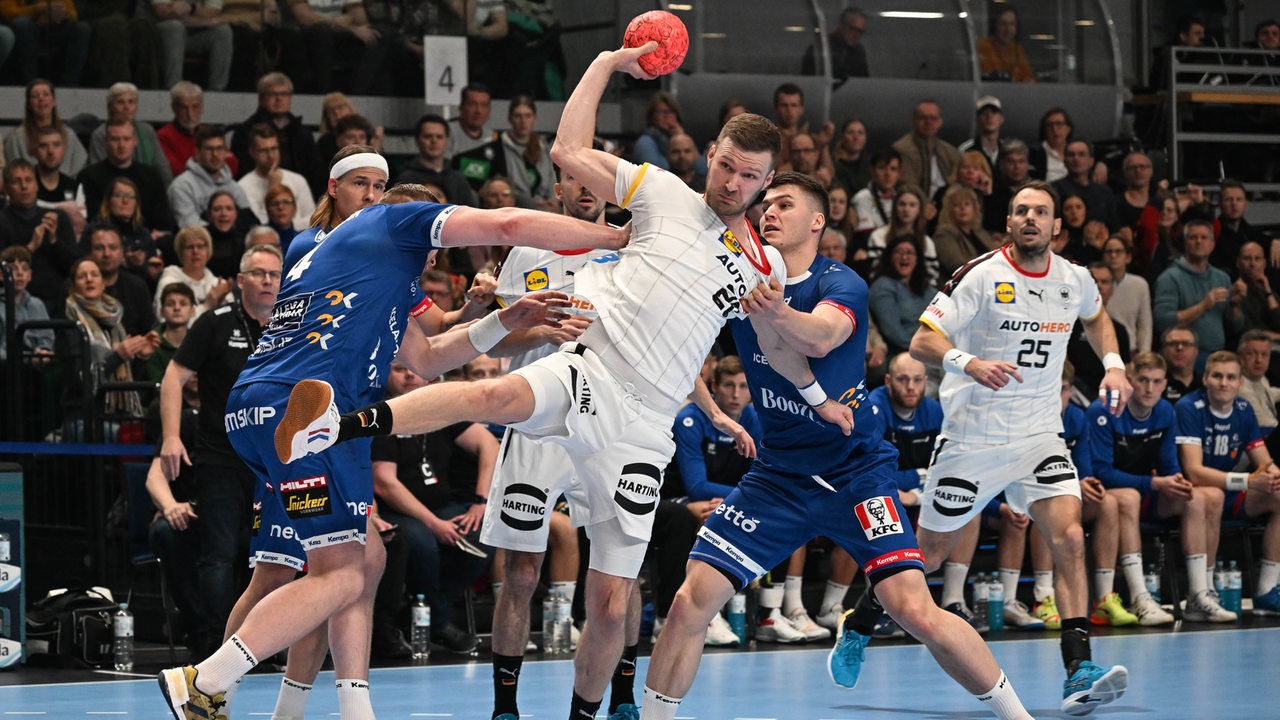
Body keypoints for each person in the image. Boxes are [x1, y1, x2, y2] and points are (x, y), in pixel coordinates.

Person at [273, 42, 800, 720]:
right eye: (725, 164)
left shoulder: (769, 270)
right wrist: (608, 63)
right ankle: (334, 426)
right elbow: (570, 148)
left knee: (610, 602)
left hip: (645, 426)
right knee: (495, 398)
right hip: (590, 371)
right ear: (711, 153)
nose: (731, 181)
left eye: (747, 175)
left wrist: (803, 365)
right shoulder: (661, 191)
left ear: (768, 180)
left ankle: (587, 711)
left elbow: (791, 347)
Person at [157, 134, 628, 720]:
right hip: (310, 411)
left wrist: (505, 318)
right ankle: (204, 680)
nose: (437, 254)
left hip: (263, 409)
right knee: (340, 575)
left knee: (336, 565)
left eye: (378, 187)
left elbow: (427, 358)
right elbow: (505, 224)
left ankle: (285, 703)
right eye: (366, 186)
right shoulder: (395, 223)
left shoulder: (347, 256)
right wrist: (618, 234)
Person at [640, 171, 1034, 719]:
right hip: (777, 479)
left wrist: (762, 304)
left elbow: (819, 336)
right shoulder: (741, 284)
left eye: (784, 204)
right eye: (765, 205)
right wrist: (711, 411)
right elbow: (677, 345)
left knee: (914, 610)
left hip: (855, 474)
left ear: (817, 221)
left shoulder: (840, 282)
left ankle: (1019, 716)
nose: (769, 213)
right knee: (688, 604)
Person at [907, 179, 1132, 714]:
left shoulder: (1074, 279)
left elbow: (1097, 320)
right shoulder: (980, 275)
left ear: (1058, 226)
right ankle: (866, 616)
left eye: (1041, 212)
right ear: (1008, 223)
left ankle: (1079, 669)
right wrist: (970, 363)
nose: (1030, 218)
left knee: (1070, 538)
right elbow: (922, 341)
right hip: (973, 436)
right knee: (929, 556)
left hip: (1037, 434)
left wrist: (1116, 366)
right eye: (1020, 211)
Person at [1091, 351, 1219, 624]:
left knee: (1198, 497)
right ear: (1129, 381)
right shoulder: (1103, 410)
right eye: (1143, 380)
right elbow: (1101, 472)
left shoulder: (1164, 411)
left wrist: (1176, 480)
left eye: (1157, 381)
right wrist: (1154, 482)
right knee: (1128, 497)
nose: (1150, 388)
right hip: (1110, 496)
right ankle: (1141, 599)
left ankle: (1199, 595)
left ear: (1164, 384)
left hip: (1148, 492)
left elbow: (1169, 463)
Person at [1174, 350, 1280, 617]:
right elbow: (1194, 472)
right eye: (1218, 376)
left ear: (1239, 383)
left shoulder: (1243, 410)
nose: (1224, 383)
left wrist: (1274, 476)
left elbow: (1265, 464)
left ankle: (1268, 590)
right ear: (1205, 378)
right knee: (1209, 494)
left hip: (1229, 493)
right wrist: (1247, 480)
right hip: (1189, 494)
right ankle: (1200, 593)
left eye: (1231, 377)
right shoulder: (1189, 407)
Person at [0, 159, 79, 317]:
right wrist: (31, 247)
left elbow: (74, 265)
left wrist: (54, 241)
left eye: (29, 180)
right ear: (6, 189)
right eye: (17, 181)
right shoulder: (2, 221)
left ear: (37, 185)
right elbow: (2, 269)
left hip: (58, 301)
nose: (24, 186)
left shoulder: (57, 218)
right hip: (15, 302)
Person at [1153, 219, 1236, 360]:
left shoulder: (1222, 278)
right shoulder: (1169, 278)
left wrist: (1235, 305)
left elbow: (1234, 326)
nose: (1199, 241)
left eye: (1204, 237)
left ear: (1212, 244)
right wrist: (1203, 306)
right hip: (1183, 356)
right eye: (1193, 237)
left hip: (1217, 354)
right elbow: (1163, 321)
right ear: (1185, 244)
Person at [78, 117, 175, 232]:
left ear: (135, 141)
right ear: (106, 142)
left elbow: (163, 223)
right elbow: (91, 220)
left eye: (126, 139)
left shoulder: (152, 176)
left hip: (147, 242)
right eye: (115, 139)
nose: (121, 145)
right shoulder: (89, 176)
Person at [229, 73, 320, 193]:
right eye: (273, 94)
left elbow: (314, 174)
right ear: (261, 99)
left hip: (299, 194)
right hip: (257, 192)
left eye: (284, 94)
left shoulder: (303, 134)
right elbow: (242, 171)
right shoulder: (245, 133)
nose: (279, 99)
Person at [86, 82, 174, 185]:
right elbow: (99, 172)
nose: (127, 107)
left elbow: (162, 167)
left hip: (146, 187)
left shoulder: (147, 130)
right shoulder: (100, 134)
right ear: (110, 107)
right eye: (120, 102)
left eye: (131, 102)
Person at [170, 125, 252, 230]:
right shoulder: (182, 187)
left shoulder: (235, 188)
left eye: (219, 148)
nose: (215, 154)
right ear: (197, 152)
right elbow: (190, 227)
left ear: (226, 152)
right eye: (209, 149)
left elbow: (247, 221)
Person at [237, 124, 316, 229]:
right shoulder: (243, 186)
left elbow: (312, 220)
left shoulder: (297, 180)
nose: (270, 155)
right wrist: (272, 188)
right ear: (252, 152)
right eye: (263, 151)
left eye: (274, 149)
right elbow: (260, 223)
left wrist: (289, 227)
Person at [3, 79, 89, 176]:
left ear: (54, 102)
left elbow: (80, 170)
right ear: (28, 105)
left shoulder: (69, 135)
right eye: (35, 96)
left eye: (46, 95)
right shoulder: (16, 138)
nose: (41, 99)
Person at [869, 235, 935, 357]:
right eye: (899, 252)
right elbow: (894, 333)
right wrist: (927, 349)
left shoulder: (926, 288)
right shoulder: (882, 286)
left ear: (917, 259)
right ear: (890, 257)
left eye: (910, 253)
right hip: (902, 352)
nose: (904, 257)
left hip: (930, 347)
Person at [396, 114, 479, 208]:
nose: (434, 141)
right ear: (417, 140)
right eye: (428, 136)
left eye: (439, 137)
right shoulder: (406, 179)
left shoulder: (459, 180)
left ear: (447, 141)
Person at [87, 223, 156, 337]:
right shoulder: (75, 287)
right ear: (90, 252)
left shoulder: (137, 287)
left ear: (122, 251)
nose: (106, 254)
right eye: (99, 248)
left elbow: (148, 332)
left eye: (113, 247)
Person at [153, 0, 233, 92]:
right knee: (175, 27)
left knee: (223, 31)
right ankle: (173, 88)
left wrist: (192, 9)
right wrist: (201, 20)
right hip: (164, 32)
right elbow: (163, 13)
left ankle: (217, 90)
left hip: (196, 32)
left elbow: (213, 13)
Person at [892, 101, 960, 200]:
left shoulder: (951, 152)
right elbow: (906, 185)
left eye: (933, 118)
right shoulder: (900, 150)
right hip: (915, 208)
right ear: (913, 120)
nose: (928, 122)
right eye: (923, 118)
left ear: (940, 122)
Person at [500, 95, 557, 211]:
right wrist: (533, 204)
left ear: (535, 119)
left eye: (528, 116)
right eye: (517, 116)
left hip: (547, 207)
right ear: (510, 119)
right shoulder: (499, 147)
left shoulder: (543, 146)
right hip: (514, 207)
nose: (523, 121)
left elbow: (552, 178)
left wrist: (553, 200)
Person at [0, 245, 55, 366]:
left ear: (30, 275)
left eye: (24, 269)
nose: (20, 273)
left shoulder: (37, 305)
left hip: (34, 371)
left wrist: (42, 352)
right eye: (13, 269)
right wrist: (25, 359)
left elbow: (46, 338)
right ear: (2, 275)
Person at [1101, 235, 1153, 354]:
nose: (1113, 256)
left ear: (1128, 257)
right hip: (1103, 348)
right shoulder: (1095, 284)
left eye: (1118, 251)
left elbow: (1144, 325)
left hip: (1130, 349)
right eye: (1109, 252)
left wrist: (1144, 354)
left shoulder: (1140, 285)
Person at [933, 185, 995, 281]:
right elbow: (957, 265)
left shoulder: (980, 233)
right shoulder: (944, 234)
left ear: (974, 209)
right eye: (957, 205)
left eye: (966, 204)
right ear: (949, 210)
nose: (962, 208)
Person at [800, 6, 869, 81]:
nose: (857, 35)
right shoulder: (822, 47)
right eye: (853, 29)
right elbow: (809, 80)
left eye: (860, 32)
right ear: (841, 25)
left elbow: (864, 80)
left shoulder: (859, 52)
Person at [146, 282, 195, 383]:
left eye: (183, 303)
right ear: (162, 311)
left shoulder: (200, 343)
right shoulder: (151, 344)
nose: (177, 308)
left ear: (192, 311)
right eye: (170, 304)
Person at [851, 147, 900, 237]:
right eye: (881, 168)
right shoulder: (862, 198)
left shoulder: (901, 199)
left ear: (899, 174)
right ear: (872, 171)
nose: (887, 174)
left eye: (893, 169)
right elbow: (866, 237)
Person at [978, 6, 1035, 82]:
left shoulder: (1017, 50)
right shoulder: (983, 47)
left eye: (1012, 24)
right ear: (995, 26)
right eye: (1003, 24)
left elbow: (1029, 79)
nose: (1008, 29)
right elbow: (992, 79)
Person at [957, 96, 1008, 170]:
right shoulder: (965, 150)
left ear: (1001, 119)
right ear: (977, 119)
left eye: (994, 112)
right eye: (984, 113)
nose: (989, 116)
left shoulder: (1008, 150)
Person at [1029, 107, 1073, 183]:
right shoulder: (1034, 153)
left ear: (1068, 129)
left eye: (1059, 124)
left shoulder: (1077, 150)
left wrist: (1101, 164)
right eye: (1049, 125)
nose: (1054, 129)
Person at [1160, 326, 1201, 404]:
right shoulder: (1155, 385)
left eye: (1186, 344)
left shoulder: (1206, 386)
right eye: (1173, 344)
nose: (1180, 348)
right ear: (1163, 350)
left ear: (1196, 351)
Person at [831, 117, 870, 195]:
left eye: (860, 133)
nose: (856, 137)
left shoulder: (870, 165)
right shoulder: (833, 163)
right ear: (842, 137)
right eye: (851, 132)